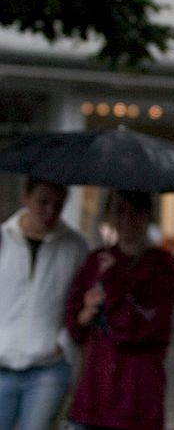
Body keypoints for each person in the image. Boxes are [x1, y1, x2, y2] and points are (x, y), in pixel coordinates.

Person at [64, 190, 174, 430]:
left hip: (136, 399)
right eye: (119, 211)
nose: (126, 220)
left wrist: (113, 281)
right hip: (93, 396)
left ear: (147, 217)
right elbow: (75, 327)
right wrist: (86, 313)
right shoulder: (97, 261)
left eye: (135, 212)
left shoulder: (161, 268)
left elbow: (135, 330)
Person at [0, 178, 89, 430]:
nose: (50, 211)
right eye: (43, 202)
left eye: (58, 205)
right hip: (2, 364)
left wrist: (63, 344)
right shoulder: (3, 239)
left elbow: (79, 302)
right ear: (26, 197)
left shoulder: (75, 247)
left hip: (48, 368)